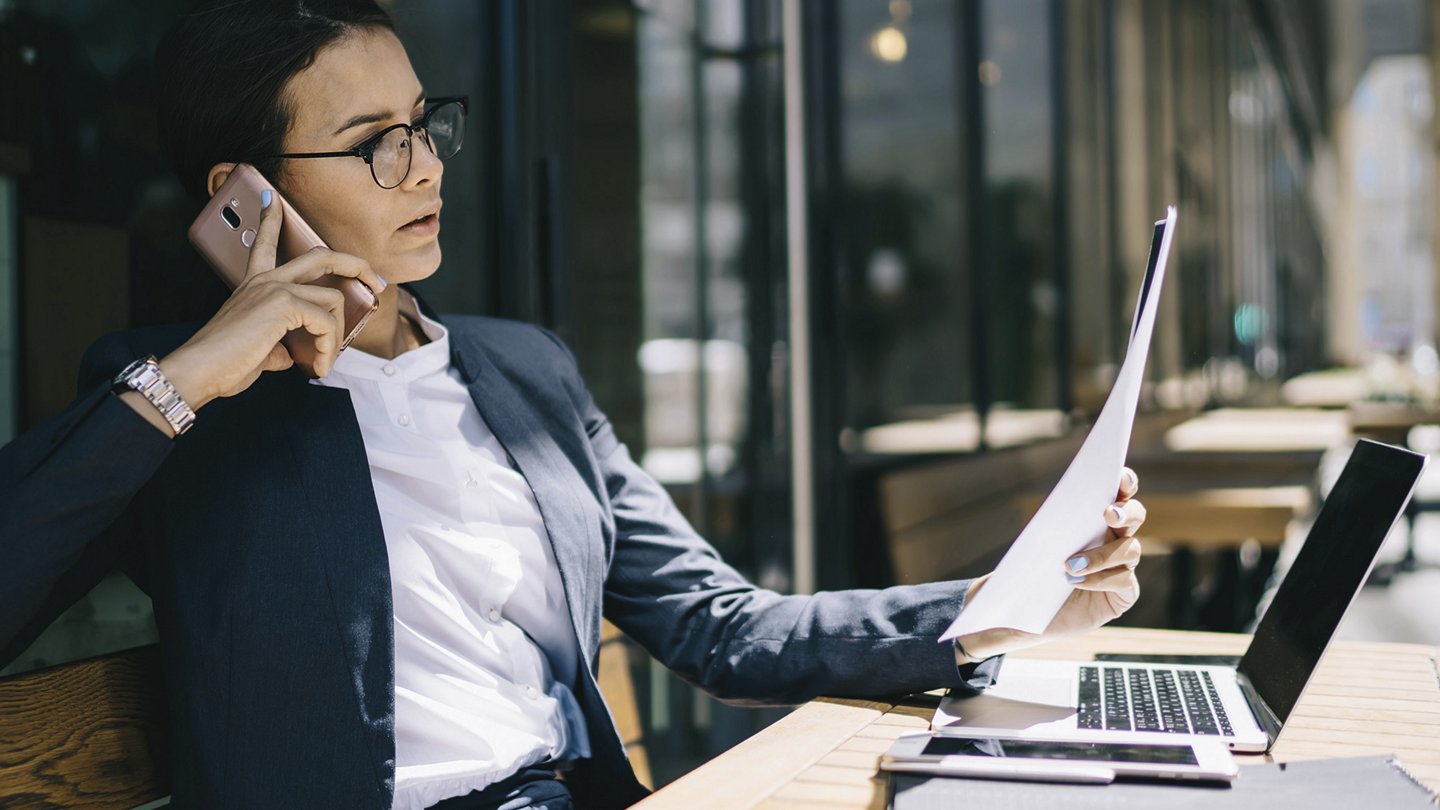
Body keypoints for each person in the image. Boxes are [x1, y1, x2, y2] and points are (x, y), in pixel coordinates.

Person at [0, 2, 1147, 809]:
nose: (427, 169)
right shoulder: (173, 400)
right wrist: (193, 375)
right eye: (371, 147)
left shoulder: (523, 373)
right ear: (244, 193)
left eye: (422, 124)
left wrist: (1006, 601)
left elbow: (719, 626)